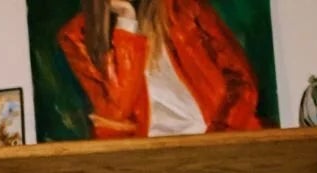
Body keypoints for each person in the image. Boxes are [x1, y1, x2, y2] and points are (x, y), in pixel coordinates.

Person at [58, 0, 263, 139]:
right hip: (144, 156)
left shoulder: (185, 7)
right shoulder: (77, 35)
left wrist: (219, 137)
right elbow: (116, 111)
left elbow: (242, 80)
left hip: (213, 139)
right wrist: (127, 21)